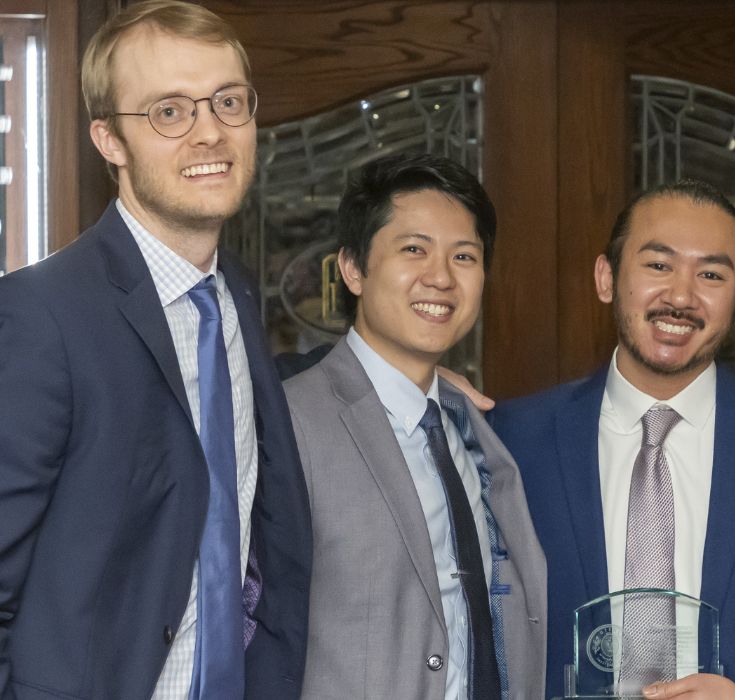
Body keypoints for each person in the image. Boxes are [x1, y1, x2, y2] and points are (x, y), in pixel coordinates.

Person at [0, 2, 312, 699]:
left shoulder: (235, 296)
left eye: (228, 101)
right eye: (169, 111)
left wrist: (415, 379)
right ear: (110, 140)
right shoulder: (39, 318)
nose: (210, 132)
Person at [489, 179, 735, 699]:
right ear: (607, 277)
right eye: (659, 265)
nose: (681, 296)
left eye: (711, 275)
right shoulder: (514, 438)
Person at [283, 153, 546, 699]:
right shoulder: (289, 422)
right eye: (413, 249)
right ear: (353, 268)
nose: (441, 277)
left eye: (464, 256)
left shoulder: (476, 429)